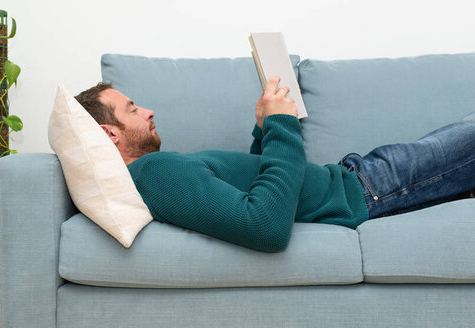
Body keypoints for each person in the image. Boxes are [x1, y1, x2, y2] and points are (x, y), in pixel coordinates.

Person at [75, 77, 475, 252]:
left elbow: (261, 193)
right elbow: (265, 226)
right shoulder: (153, 173)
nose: (147, 111)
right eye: (132, 109)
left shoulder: (155, 175)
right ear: (111, 134)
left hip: (358, 181)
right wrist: (283, 125)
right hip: (366, 187)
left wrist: (264, 132)